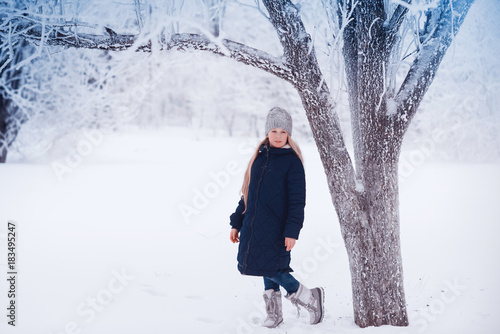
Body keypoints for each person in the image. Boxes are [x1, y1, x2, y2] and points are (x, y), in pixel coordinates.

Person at [229, 107, 324, 328]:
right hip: (254, 226)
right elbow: (246, 196)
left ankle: (310, 297)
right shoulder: (259, 159)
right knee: (264, 265)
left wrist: (292, 231)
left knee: (275, 268)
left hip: (278, 228)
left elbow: (297, 202)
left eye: (283, 132)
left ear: (289, 134)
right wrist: (236, 223)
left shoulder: (292, 162)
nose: (278, 136)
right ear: (267, 133)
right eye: (274, 131)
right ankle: (274, 313)